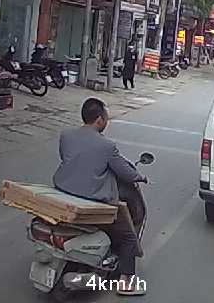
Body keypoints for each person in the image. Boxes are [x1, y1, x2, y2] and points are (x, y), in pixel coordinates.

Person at [53, 98, 147, 296]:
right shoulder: (107, 145)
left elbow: (67, 158)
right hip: (91, 201)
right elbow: (126, 173)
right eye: (106, 117)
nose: (107, 121)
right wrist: (140, 177)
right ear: (99, 120)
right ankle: (127, 284)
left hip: (63, 192)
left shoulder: (66, 135)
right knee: (128, 237)